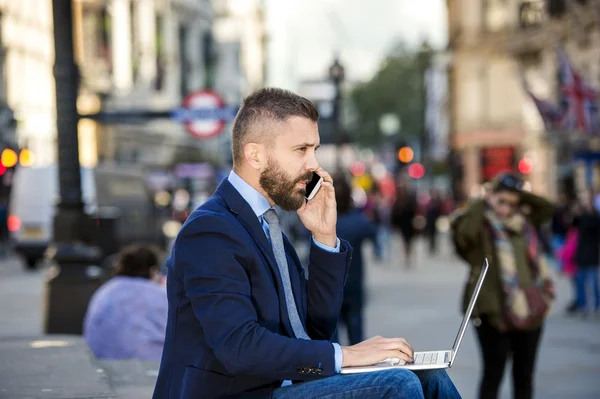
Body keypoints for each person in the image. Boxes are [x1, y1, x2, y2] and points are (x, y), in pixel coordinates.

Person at [153, 88, 461, 399]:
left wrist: (324, 237)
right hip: (240, 393)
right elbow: (238, 347)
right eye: (301, 150)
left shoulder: (268, 225)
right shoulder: (210, 230)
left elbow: (314, 331)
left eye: (314, 149)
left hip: (285, 386)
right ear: (255, 155)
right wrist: (347, 355)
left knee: (428, 376)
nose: (313, 164)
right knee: (399, 384)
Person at [451, 173, 555, 399]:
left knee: (524, 377)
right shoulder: (480, 224)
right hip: (492, 312)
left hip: (528, 308)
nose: (506, 207)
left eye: (512, 202)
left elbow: (548, 208)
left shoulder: (524, 222)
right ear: (491, 197)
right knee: (493, 374)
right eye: (502, 201)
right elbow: (463, 236)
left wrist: (517, 192)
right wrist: (485, 201)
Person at [83, 244, 167, 361]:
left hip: (102, 360)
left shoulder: (106, 290)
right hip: (149, 364)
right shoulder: (158, 294)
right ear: (152, 271)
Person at [331, 173, 378, 345]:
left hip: (329, 287)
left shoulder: (323, 221)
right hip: (353, 282)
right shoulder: (358, 221)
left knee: (331, 337)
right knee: (356, 336)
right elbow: (373, 230)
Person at [572, 190, 600, 315]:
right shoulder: (580, 216)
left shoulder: (595, 217)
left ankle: (596, 305)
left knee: (593, 281)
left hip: (592, 252)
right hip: (582, 252)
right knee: (581, 281)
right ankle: (583, 305)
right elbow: (572, 225)